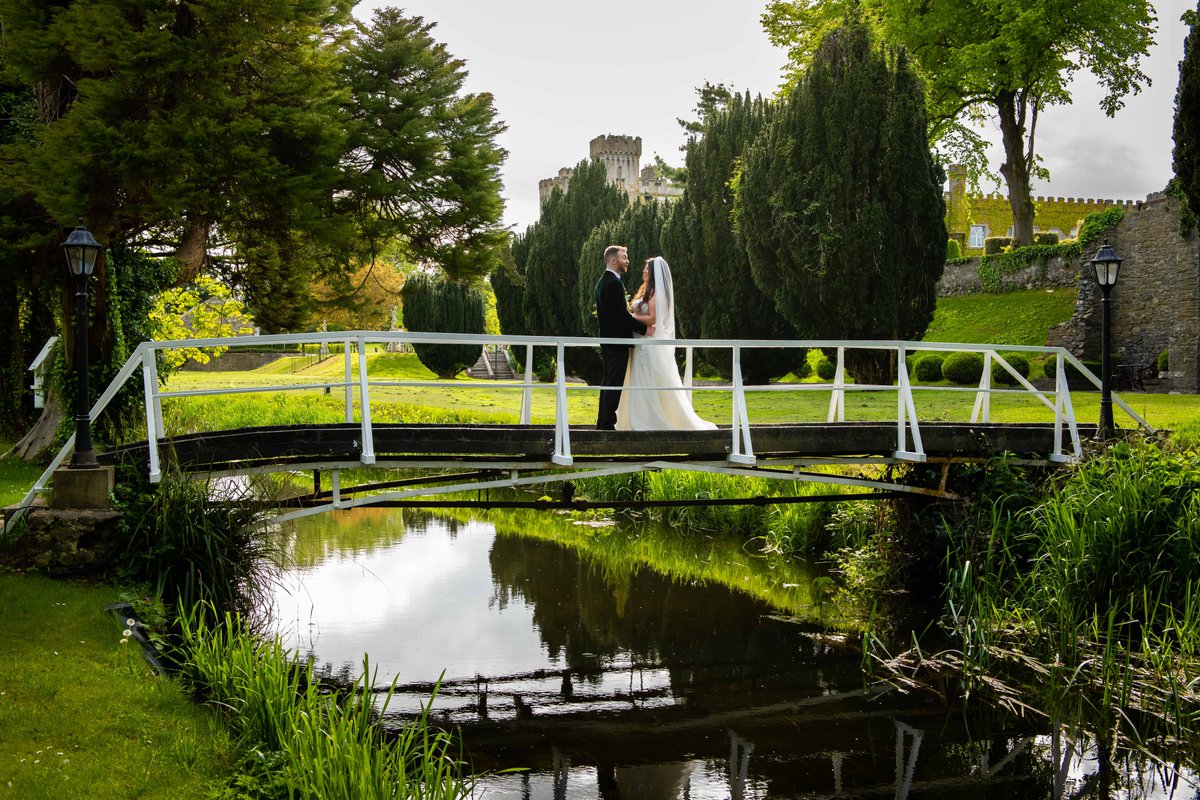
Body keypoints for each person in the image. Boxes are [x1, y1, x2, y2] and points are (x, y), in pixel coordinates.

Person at [616, 256, 717, 431]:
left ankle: (648, 420)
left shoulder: (656, 292)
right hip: (639, 342)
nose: (644, 271)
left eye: (648, 269)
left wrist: (628, 317)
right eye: (645, 268)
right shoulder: (645, 290)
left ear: (655, 273)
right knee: (637, 379)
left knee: (646, 379)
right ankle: (634, 419)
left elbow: (652, 318)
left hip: (647, 344)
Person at [594, 245, 648, 430]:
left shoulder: (604, 281)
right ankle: (607, 424)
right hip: (616, 342)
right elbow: (621, 316)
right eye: (624, 257)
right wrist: (645, 329)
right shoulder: (613, 283)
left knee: (609, 381)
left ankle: (603, 421)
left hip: (609, 341)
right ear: (613, 260)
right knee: (613, 383)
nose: (628, 261)